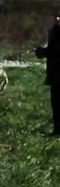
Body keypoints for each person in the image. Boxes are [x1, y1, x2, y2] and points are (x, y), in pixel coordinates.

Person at [35, 8, 60, 136]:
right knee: (55, 103)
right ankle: (57, 130)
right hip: (55, 74)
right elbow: (52, 50)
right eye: (57, 16)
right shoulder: (53, 32)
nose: (57, 19)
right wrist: (41, 52)